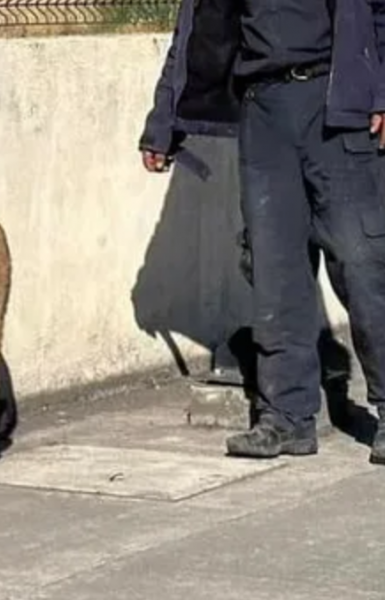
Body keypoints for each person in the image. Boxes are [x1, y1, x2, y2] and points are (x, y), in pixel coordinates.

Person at [139, 0, 385, 463]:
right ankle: (286, 419)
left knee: (362, 263)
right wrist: (163, 122)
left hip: (336, 103)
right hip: (263, 109)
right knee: (275, 272)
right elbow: (194, 27)